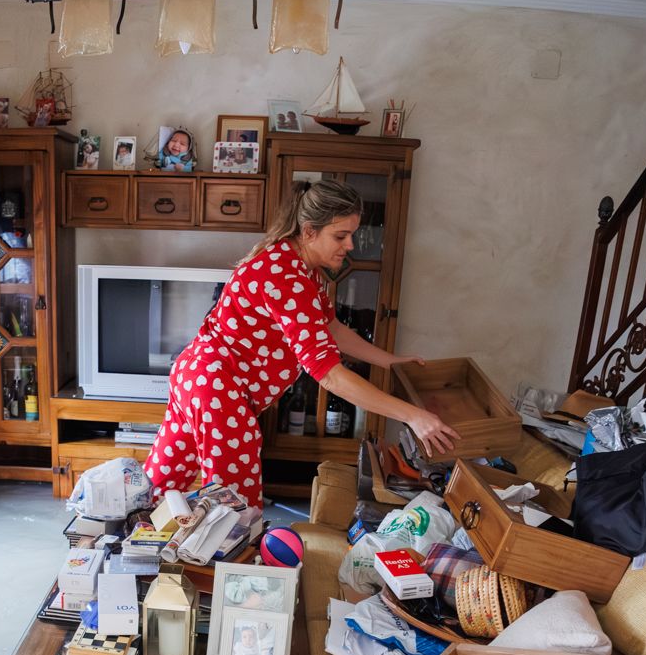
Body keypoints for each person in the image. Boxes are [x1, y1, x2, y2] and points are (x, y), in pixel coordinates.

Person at [143, 178, 460, 507]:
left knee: (161, 484)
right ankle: (228, 557)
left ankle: (122, 528)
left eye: (351, 234)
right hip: (218, 389)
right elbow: (329, 374)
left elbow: (332, 328)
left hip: (197, 376)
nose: (350, 245)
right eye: (340, 236)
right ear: (309, 231)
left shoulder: (297, 267)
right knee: (233, 508)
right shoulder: (288, 276)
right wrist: (413, 415)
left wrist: (388, 361)